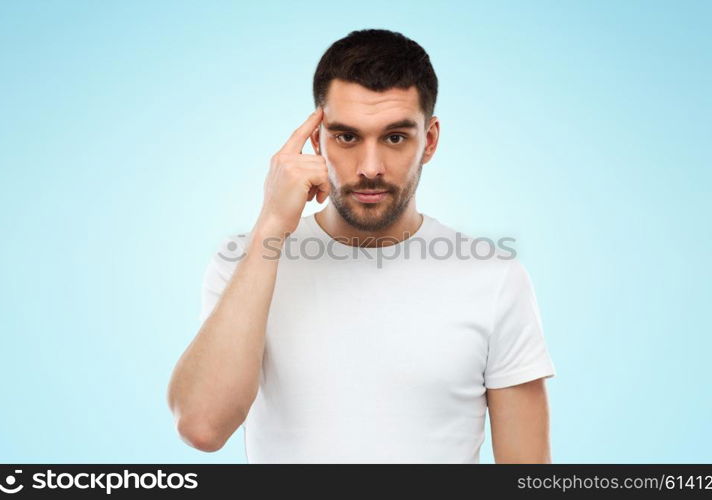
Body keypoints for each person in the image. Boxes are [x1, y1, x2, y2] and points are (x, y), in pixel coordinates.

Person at [167, 28, 556, 464]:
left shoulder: (494, 278)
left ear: (428, 141)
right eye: (347, 137)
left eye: (394, 137)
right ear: (317, 141)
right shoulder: (245, 261)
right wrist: (271, 226)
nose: (370, 168)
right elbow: (201, 426)